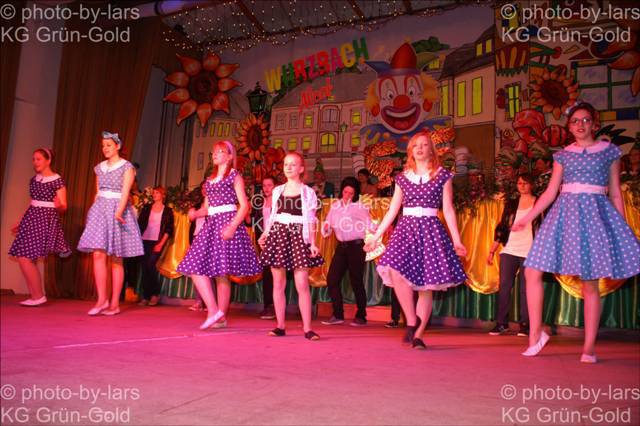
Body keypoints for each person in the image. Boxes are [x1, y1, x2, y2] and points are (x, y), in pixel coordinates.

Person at [512, 102, 640, 363]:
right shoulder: (563, 155)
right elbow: (550, 192)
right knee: (531, 270)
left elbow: (615, 192)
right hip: (564, 215)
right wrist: (527, 218)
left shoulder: (609, 152)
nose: (580, 125)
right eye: (575, 121)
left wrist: (622, 227)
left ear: (594, 124)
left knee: (589, 283)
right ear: (569, 127)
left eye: (585, 120)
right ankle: (535, 335)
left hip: (594, 216)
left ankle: (589, 347)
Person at [364, 131, 467, 349]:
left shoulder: (442, 175)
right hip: (406, 229)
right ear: (410, 151)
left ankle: (418, 335)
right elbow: (393, 209)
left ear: (431, 150)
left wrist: (457, 241)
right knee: (394, 269)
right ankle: (412, 320)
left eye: (424, 144)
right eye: (415, 145)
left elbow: (448, 209)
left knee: (425, 285)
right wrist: (376, 236)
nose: (419, 148)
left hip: (430, 230)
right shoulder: (402, 178)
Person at [177, 140, 261, 330]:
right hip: (212, 224)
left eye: (220, 151)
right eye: (213, 151)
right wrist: (195, 214)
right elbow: (208, 208)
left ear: (230, 156)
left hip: (227, 223)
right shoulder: (209, 180)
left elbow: (244, 206)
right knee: (194, 266)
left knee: (222, 274)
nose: (215, 154)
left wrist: (232, 227)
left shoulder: (234, 176)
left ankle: (219, 317)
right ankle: (214, 311)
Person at [78, 131, 144, 316]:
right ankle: (102, 300)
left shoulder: (127, 167)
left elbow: (125, 192)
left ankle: (114, 303)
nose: (105, 148)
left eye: (108, 145)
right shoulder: (99, 168)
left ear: (118, 146)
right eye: (103, 146)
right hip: (100, 210)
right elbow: (97, 192)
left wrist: (119, 212)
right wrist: (93, 213)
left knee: (116, 258)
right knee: (97, 254)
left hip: (118, 211)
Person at [259, 152, 323, 340]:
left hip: (297, 234)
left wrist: (312, 243)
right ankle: (280, 326)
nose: (288, 167)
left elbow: (311, 219)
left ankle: (308, 329)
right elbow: (273, 216)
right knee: (278, 283)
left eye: (293, 164)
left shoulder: (308, 192)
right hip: (278, 234)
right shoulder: (277, 190)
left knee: (301, 283)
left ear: (301, 169)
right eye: (286, 164)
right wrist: (265, 233)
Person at [9, 148, 71, 306]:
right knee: (24, 257)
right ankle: (35, 296)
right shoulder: (33, 180)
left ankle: (38, 296)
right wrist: (21, 221)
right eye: (33, 159)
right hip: (31, 218)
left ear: (48, 160)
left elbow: (63, 206)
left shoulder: (57, 180)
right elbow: (32, 203)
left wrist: (59, 205)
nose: (35, 162)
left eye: (38, 159)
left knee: (26, 257)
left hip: (45, 219)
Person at [487, 173, 541, 337]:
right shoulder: (511, 204)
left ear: (532, 185)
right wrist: (492, 250)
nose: (522, 186)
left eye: (525, 183)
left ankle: (525, 324)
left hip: (530, 251)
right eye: (519, 183)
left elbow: (543, 227)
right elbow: (502, 227)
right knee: (504, 286)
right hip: (510, 249)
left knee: (526, 289)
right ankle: (501, 323)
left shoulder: (539, 202)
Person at [321, 176, 374, 326]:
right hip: (342, 247)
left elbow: (369, 224)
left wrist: (379, 230)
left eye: (351, 193)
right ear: (342, 191)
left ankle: (361, 315)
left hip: (356, 247)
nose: (347, 196)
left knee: (356, 280)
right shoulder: (335, 206)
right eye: (345, 192)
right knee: (332, 279)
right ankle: (338, 314)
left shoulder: (359, 207)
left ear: (355, 193)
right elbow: (327, 226)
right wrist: (326, 228)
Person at [137, 186, 174, 307]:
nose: (154, 195)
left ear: (163, 195)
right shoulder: (147, 208)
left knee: (151, 265)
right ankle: (146, 296)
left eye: (157, 193)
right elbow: (139, 224)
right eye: (153, 193)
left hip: (157, 241)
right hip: (144, 240)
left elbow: (168, 230)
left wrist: (161, 244)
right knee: (145, 267)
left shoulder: (168, 211)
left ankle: (154, 294)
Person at [247, 176, 276, 319]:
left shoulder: (280, 202)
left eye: (269, 185)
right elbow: (251, 223)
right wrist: (246, 211)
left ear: (275, 186)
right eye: (264, 185)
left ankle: (276, 306)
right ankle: (268, 306)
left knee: (277, 274)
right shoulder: (259, 203)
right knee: (267, 273)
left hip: (277, 240)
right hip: (263, 242)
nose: (266, 188)